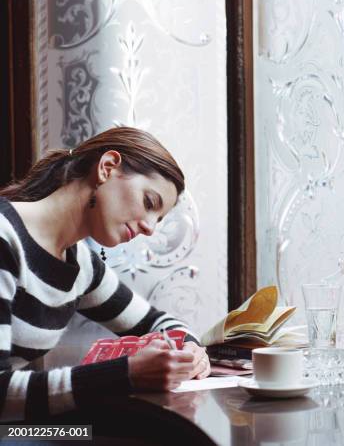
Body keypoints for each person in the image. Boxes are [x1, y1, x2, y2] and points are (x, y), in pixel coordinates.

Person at [0, 127, 211, 422]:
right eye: (149, 203)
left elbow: (154, 322)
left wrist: (190, 347)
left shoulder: (81, 265)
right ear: (107, 167)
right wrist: (125, 374)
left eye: (158, 220)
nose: (150, 228)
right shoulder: (4, 237)